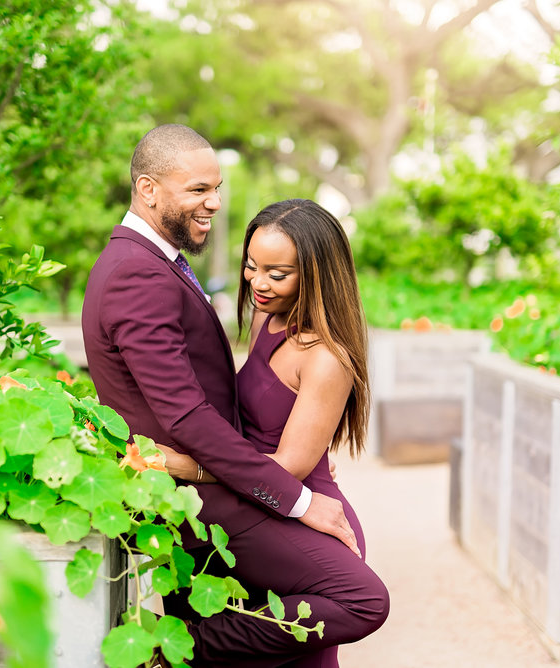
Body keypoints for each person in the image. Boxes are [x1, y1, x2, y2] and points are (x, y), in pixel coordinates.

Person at [82, 124, 388, 667]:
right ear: (149, 189)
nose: (214, 202)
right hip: (219, 499)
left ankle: (179, 646)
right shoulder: (138, 273)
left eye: (216, 188)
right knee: (358, 601)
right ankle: (174, 647)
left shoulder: (155, 265)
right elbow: (185, 412)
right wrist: (293, 496)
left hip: (232, 484)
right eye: (198, 189)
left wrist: (295, 458)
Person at [162, 198, 377, 667]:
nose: (258, 283)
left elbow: (289, 468)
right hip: (259, 502)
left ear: (317, 275)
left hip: (298, 509)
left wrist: (185, 466)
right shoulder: (268, 317)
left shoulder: (325, 357)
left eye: (277, 274)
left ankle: (186, 646)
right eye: (251, 266)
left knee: (315, 653)